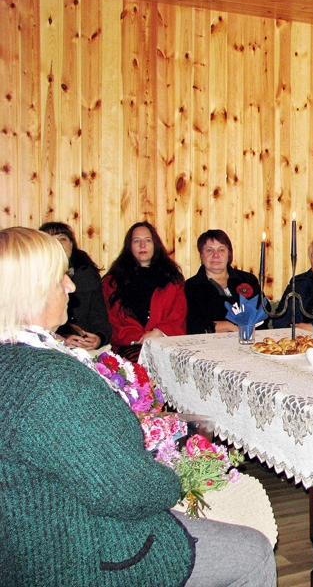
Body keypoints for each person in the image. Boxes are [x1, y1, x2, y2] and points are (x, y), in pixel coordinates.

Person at [0, 227, 276, 587]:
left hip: (43, 524)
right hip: (80, 549)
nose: (70, 287)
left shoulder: (16, 360)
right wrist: (173, 477)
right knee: (252, 550)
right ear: (30, 291)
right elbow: (127, 490)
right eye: (60, 278)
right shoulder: (51, 378)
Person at [103, 222, 187, 361]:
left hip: (165, 343)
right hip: (129, 347)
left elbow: (178, 316)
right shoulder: (112, 282)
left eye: (147, 240)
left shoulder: (172, 279)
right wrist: (137, 339)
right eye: (137, 241)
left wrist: (159, 332)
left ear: (155, 245)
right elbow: (111, 321)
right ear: (129, 247)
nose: (143, 245)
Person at [39, 221, 112, 350]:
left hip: (85, 344)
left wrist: (98, 338)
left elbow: (99, 316)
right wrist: (62, 338)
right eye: (52, 239)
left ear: (72, 245)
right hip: (47, 345)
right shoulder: (35, 277)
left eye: (62, 239)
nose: (58, 244)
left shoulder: (87, 274)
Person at [185, 229, 262, 334]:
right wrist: (230, 326)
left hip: (250, 340)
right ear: (202, 256)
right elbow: (193, 325)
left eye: (221, 250)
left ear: (229, 254)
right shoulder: (191, 287)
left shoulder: (247, 280)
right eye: (209, 250)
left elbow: (263, 313)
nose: (216, 255)